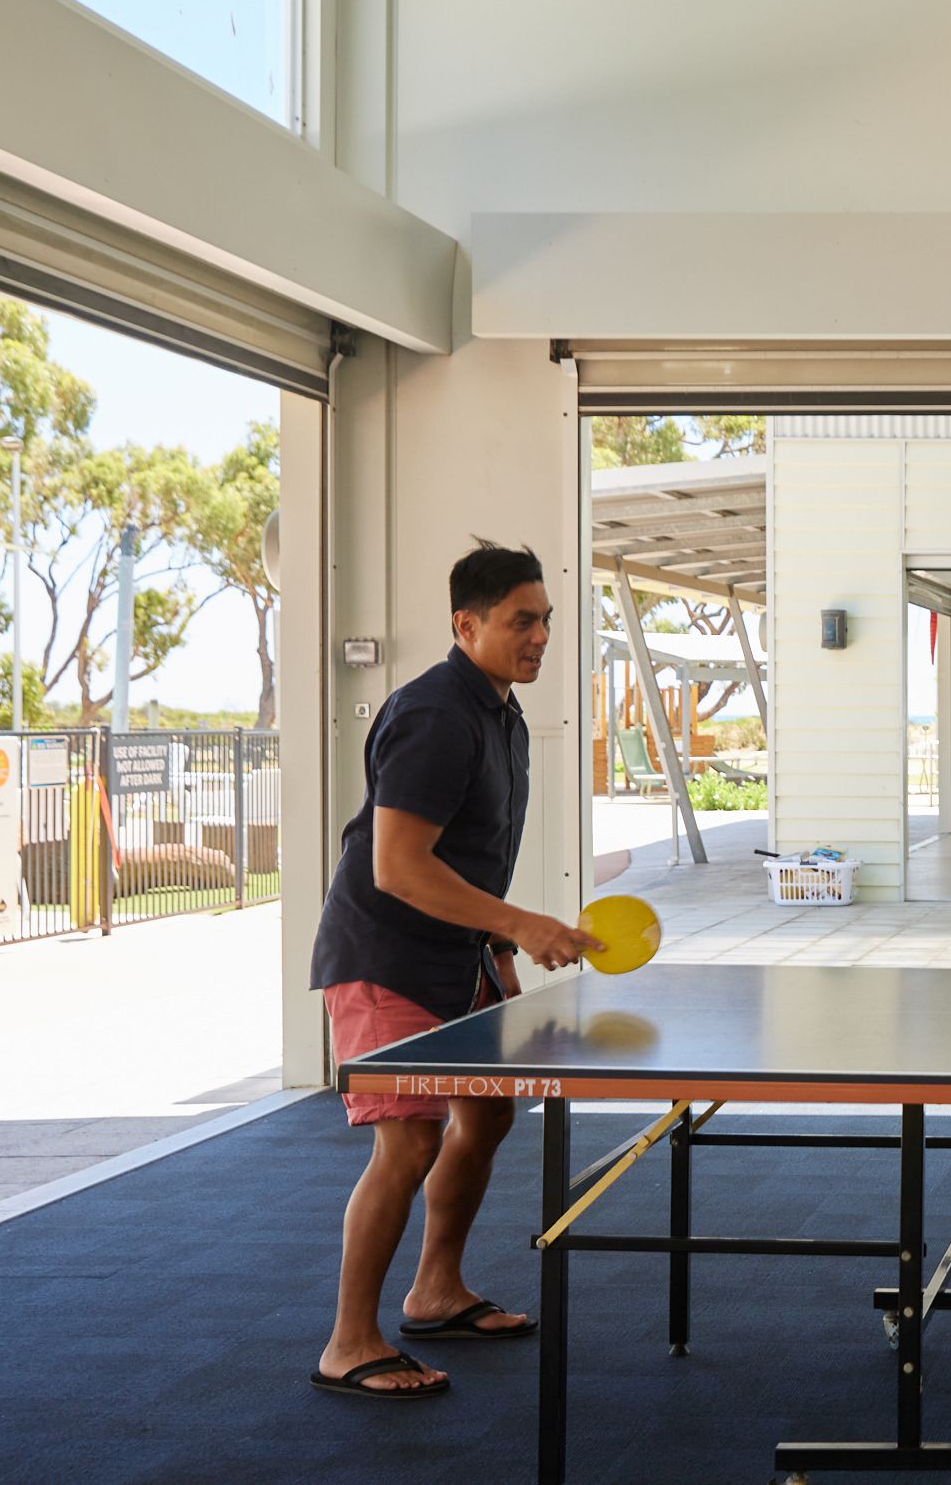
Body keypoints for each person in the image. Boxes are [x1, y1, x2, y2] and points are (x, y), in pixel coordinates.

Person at [307, 542, 603, 1402]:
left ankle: (436, 1289)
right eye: (522, 619)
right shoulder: (437, 712)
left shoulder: (500, 711)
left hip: (457, 952)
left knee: (487, 1110)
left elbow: (475, 851)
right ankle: (348, 1341)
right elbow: (397, 865)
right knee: (410, 1139)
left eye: (545, 617)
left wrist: (499, 952)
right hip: (385, 955)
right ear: (464, 624)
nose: (541, 633)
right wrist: (519, 923)